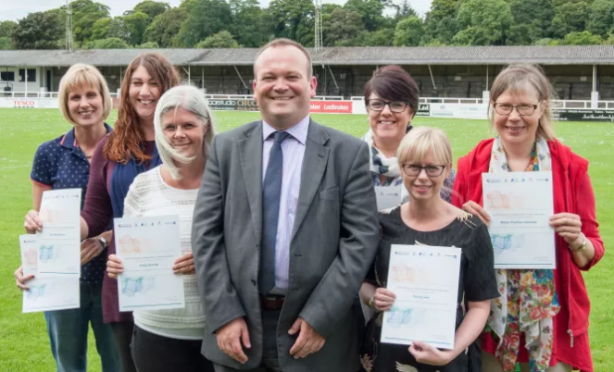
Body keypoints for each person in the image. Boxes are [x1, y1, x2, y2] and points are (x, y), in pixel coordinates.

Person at [191, 38, 380, 372]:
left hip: (317, 336)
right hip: (239, 331)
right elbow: (206, 237)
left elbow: (360, 240)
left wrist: (321, 316)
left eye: (291, 76)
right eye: (269, 77)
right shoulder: (224, 149)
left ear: (311, 84)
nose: (280, 86)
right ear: (255, 86)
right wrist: (224, 314)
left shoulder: (347, 154)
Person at [24, 53, 180, 372]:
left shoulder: (184, 140)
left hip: (173, 278)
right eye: (137, 83)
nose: (145, 91)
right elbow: (93, 214)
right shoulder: (112, 146)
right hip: (117, 276)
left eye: (154, 83)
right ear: (125, 89)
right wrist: (38, 251)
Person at [452, 64, 604, 372]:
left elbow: (591, 253)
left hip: (550, 317)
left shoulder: (570, 167)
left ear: (542, 107)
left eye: (525, 107)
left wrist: (577, 240)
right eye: (505, 106)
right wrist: (462, 223)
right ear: (492, 107)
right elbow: (450, 243)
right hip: (490, 316)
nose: (514, 117)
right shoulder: (471, 165)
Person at [359, 127, 500, 371]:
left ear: (447, 169)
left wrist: (450, 353)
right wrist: (373, 297)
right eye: (413, 167)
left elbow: (479, 306)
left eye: (432, 168)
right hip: (385, 354)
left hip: (448, 354)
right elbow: (362, 281)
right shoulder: (380, 223)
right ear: (401, 168)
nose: (422, 177)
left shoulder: (470, 228)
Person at [16, 63, 120, 372]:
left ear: (104, 99)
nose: (84, 103)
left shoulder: (126, 149)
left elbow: (138, 215)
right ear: (66, 103)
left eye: (91, 94)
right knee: (69, 365)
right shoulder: (48, 153)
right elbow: (42, 225)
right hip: (61, 280)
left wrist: (104, 239)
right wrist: (32, 222)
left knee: (118, 363)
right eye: (75, 97)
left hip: (114, 277)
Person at [105, 85, 216, 372]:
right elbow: (130, 251)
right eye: (170, 127)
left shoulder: (227, 181)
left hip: (217, 330)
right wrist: (119, 265)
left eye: (188, 125)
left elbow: (248, 248)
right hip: (155, 332)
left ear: (205, 126)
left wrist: (206, 259)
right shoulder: (143, 187)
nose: (179, 134)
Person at [362, 65, 455, 203]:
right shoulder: (349, 160)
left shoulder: (435, 162)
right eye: (377, 104)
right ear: (368, 110)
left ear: (411, 113)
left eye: (397, 104)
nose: (386, 112)